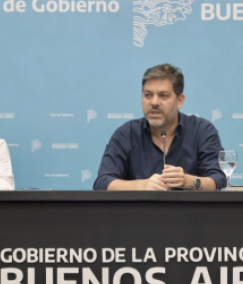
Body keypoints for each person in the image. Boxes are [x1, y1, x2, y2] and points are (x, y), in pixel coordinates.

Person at [93, 64, 226, 191]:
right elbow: (103, 182)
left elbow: (218, 180)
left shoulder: (202, 131)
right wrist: (142, 185)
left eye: (163, 95)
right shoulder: (126, 134)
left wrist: (188, 181)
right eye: (148, 95)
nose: (154, 102)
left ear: (180, 100)